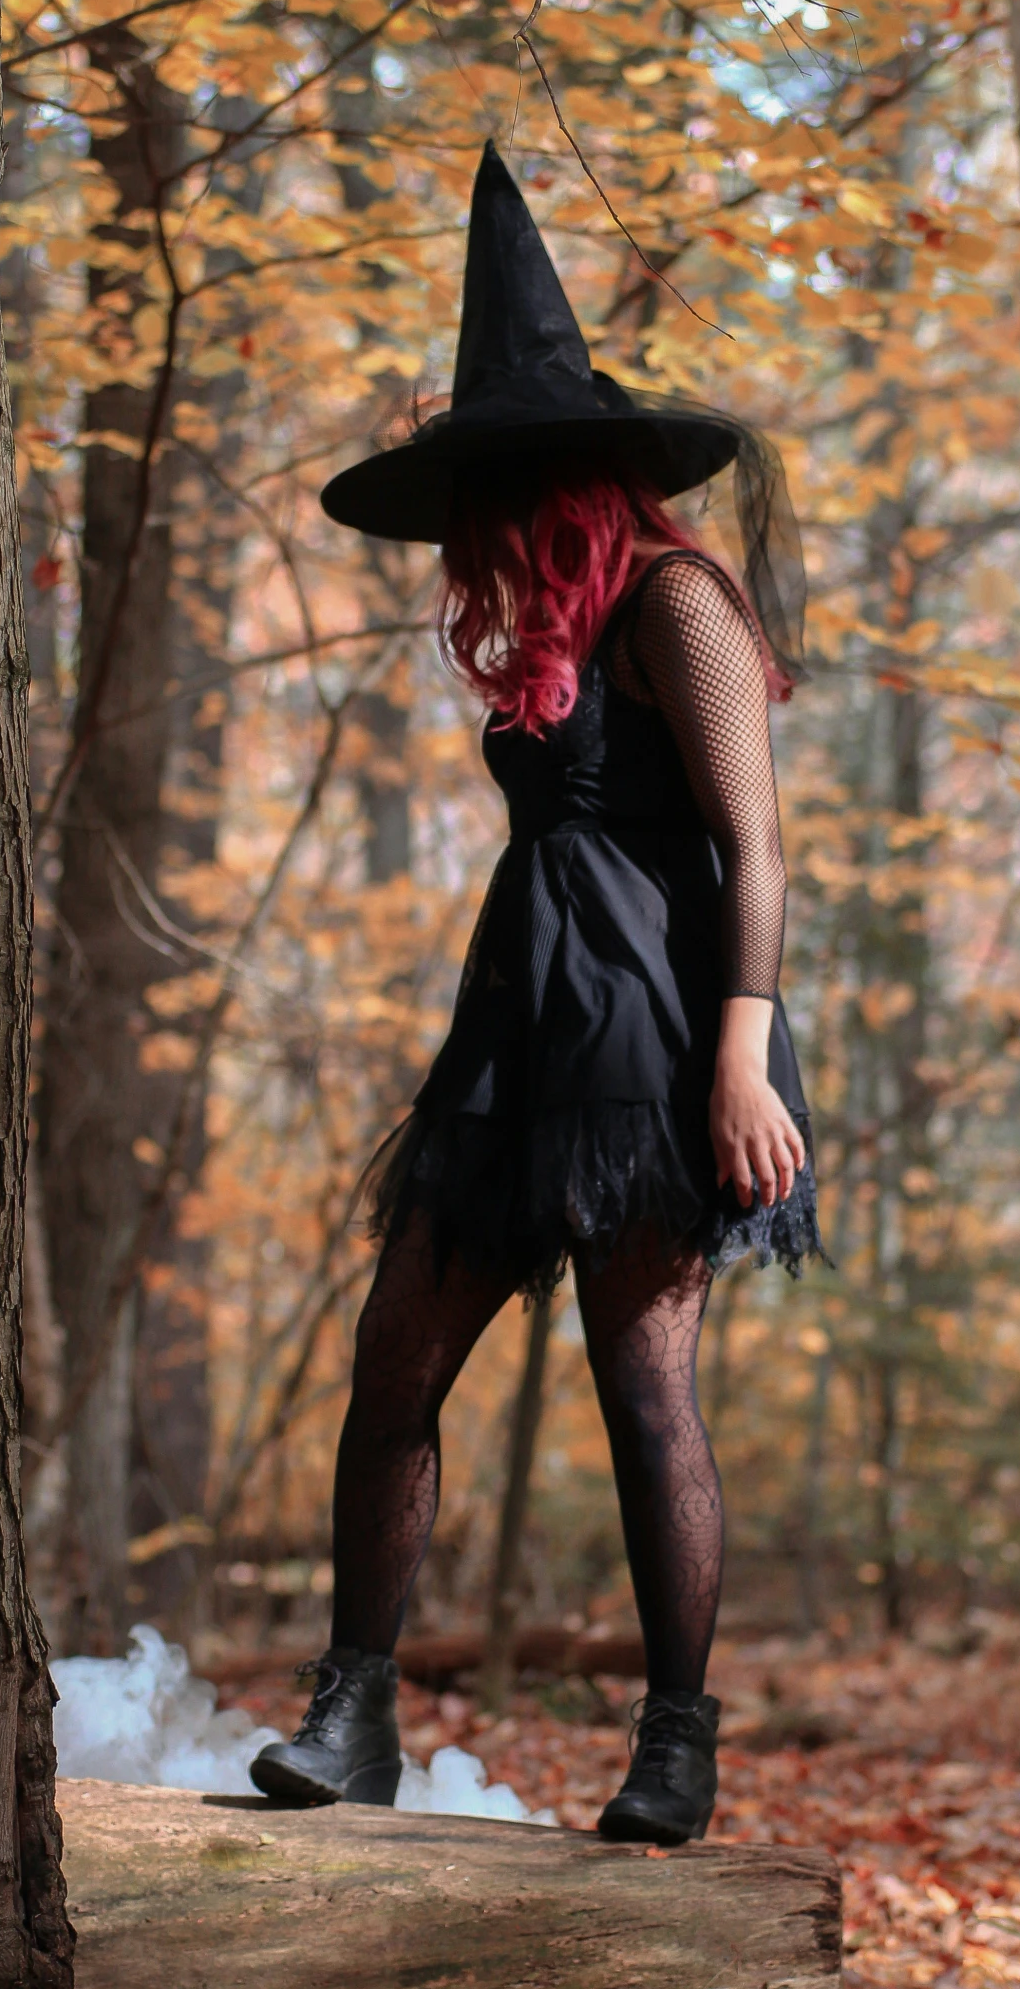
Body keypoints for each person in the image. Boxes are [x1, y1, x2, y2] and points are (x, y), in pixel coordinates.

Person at [251, 141, 823, 1844]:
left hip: (659, 1033)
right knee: (393, 1355)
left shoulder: (675, 598)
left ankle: (675, 1746)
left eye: (500, 487)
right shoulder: (561, 621)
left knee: (642, 1383)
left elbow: (758, 847)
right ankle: (352, 1715)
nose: (475, 529)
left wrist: (741, 1060)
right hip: (516, 1021)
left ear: (567, 476)